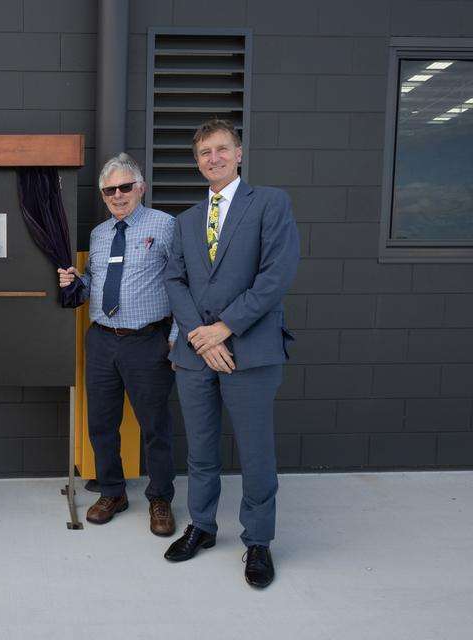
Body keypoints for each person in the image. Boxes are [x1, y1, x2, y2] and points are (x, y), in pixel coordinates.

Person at [163, 119, 300, 589]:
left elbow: (276, 275)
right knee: (201, 451)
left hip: (251, 351)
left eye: (221, 149)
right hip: (194, 354)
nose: (213, 158)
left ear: (238, 153)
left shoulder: (269, 204)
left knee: (256, 452)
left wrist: (224, 328)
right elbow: (174, 281)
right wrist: (200, 336)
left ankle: (258, 541)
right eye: (204, 152)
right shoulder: (184, 222)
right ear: (197, 161)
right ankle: (201, 526)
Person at [58, 153, 178, 536]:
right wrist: (77, 281)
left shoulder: (165, 226)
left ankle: (160, 499)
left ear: (140, 187)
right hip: (103, 341)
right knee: (102, 424)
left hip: (147, 341)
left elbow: (183, 284)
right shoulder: (100, 234)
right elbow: (96, 283)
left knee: (155, 426)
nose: (118, 195)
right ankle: (113, 492)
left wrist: (175, 338)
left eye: (126, 187)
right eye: (110, 190)